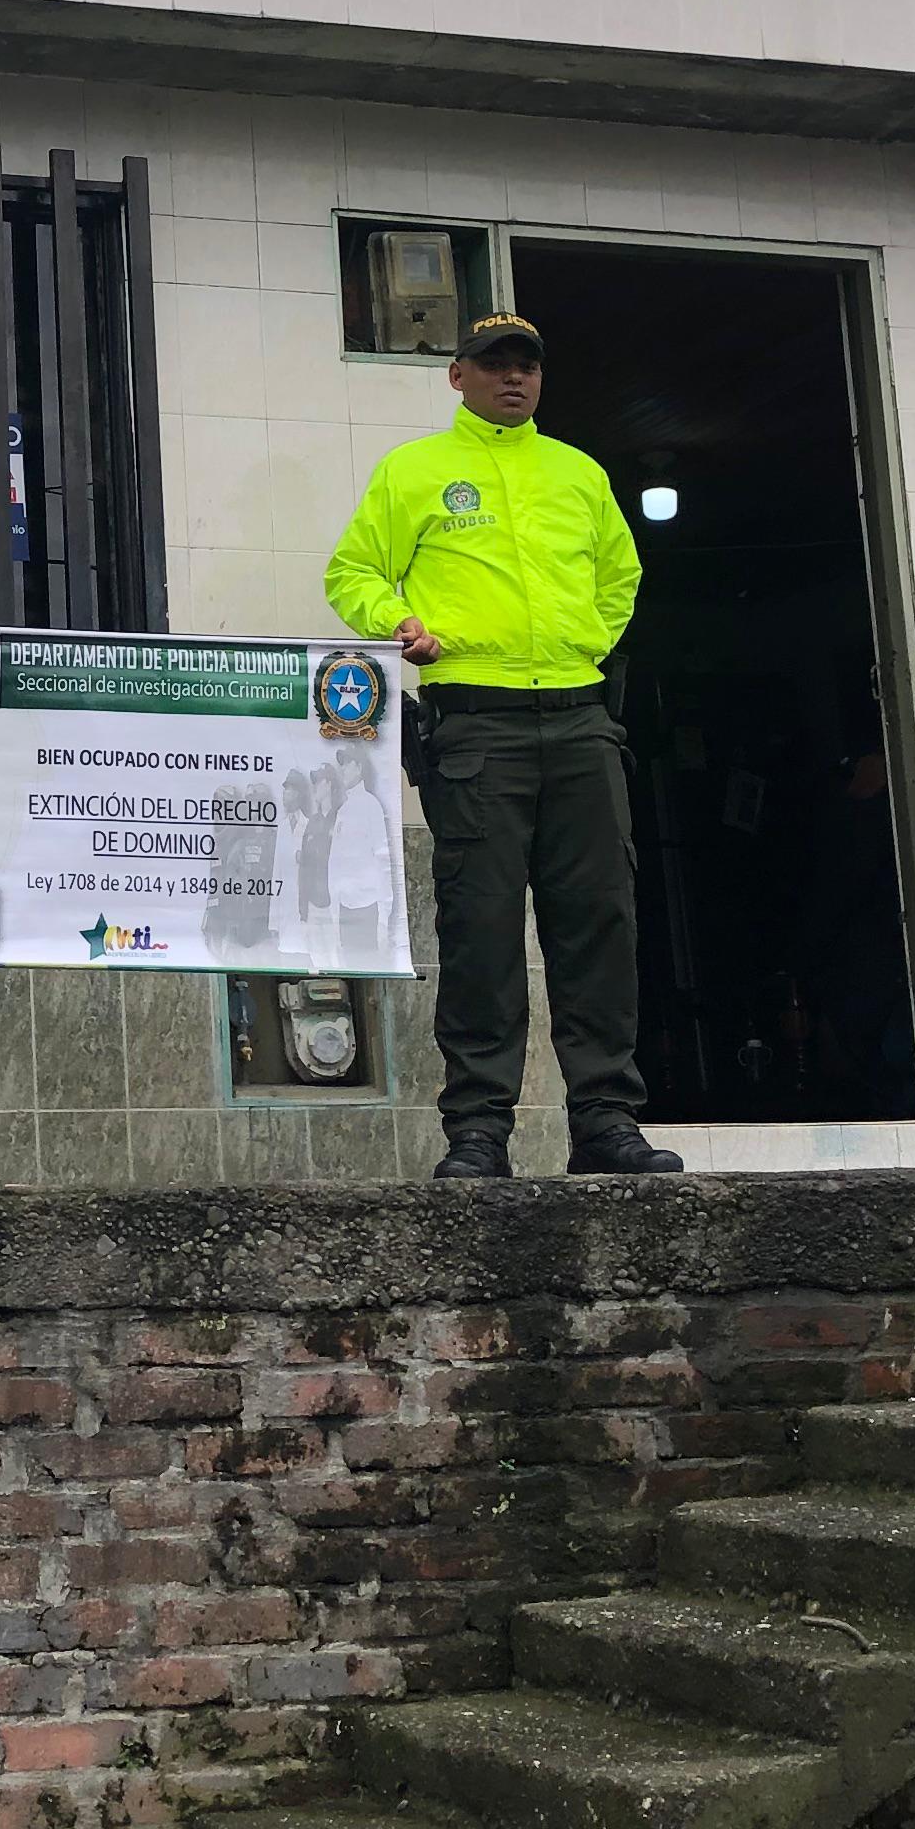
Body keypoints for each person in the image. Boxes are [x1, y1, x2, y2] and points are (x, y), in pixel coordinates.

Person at [324, 309, 678, 1179]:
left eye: (526, 366)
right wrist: (394, 621)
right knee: (482, 929)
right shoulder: (417, 471)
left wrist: (582, 647)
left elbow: (621, 574)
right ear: (458, 377)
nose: (512, 378)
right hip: (474, 724)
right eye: (493, 365)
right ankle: (478, 1130)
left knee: (599, 921)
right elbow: (352, 571)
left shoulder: (579, 472)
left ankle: (604, 1120)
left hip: (580, 717)